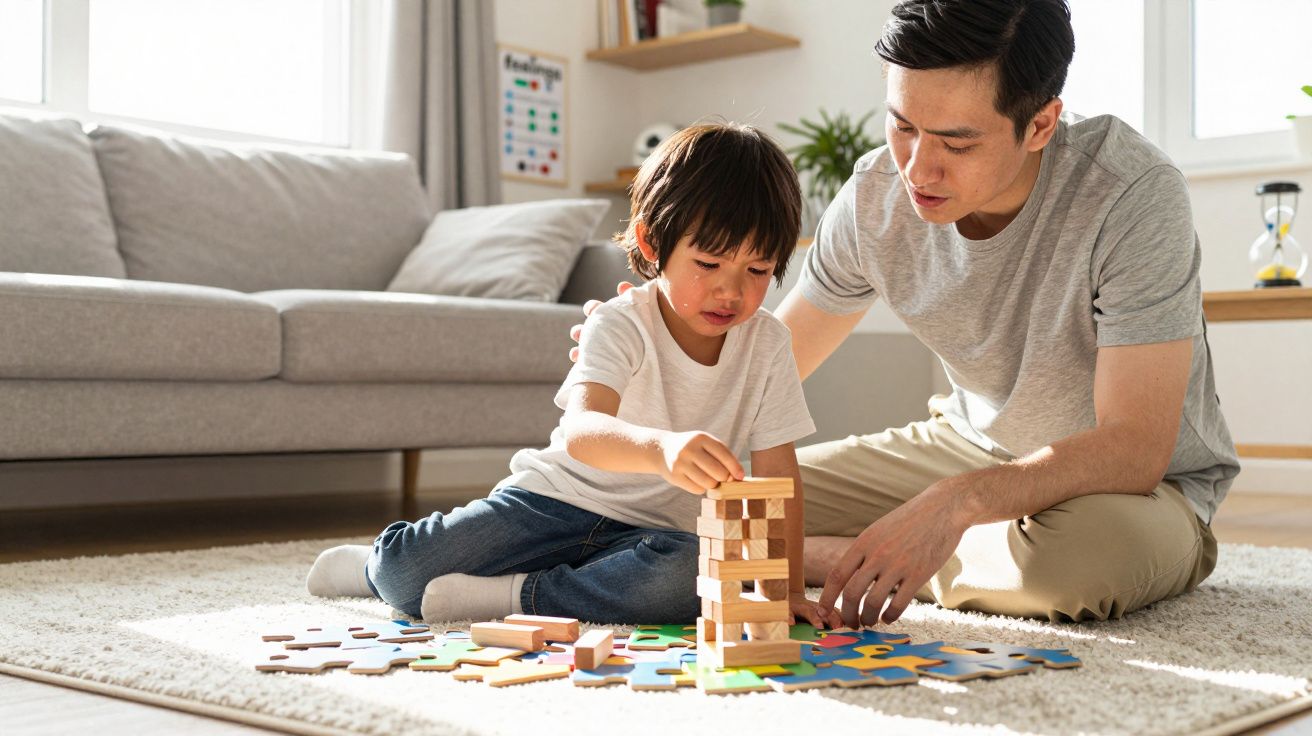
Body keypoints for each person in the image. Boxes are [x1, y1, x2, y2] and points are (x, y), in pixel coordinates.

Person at [573, 0, 1239, 627]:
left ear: (1039, 125)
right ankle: (881, 553)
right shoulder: (874, 198)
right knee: (703, 500)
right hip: (965, 446)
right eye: (903, 126)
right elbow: (767, 361)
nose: (919, 170)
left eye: (957, 143)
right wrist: (652, 336)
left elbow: (1135, 447)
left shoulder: (1129, 194)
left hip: (1140, 490)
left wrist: (960, 502)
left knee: (1065, 569)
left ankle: (865, 558)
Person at [306, 122, 839, 628]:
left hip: (656, 537)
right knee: (405, 576)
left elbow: (778, 477)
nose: (731, 291)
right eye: (708, 264)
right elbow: (584, 432)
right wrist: (661, 450)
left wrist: (787, 589)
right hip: (552, 503)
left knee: (698, 580)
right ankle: (368, 566)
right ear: (652, 245)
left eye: (757, 270)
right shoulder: (620, 321)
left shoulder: (767, 343)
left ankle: (515, 595)